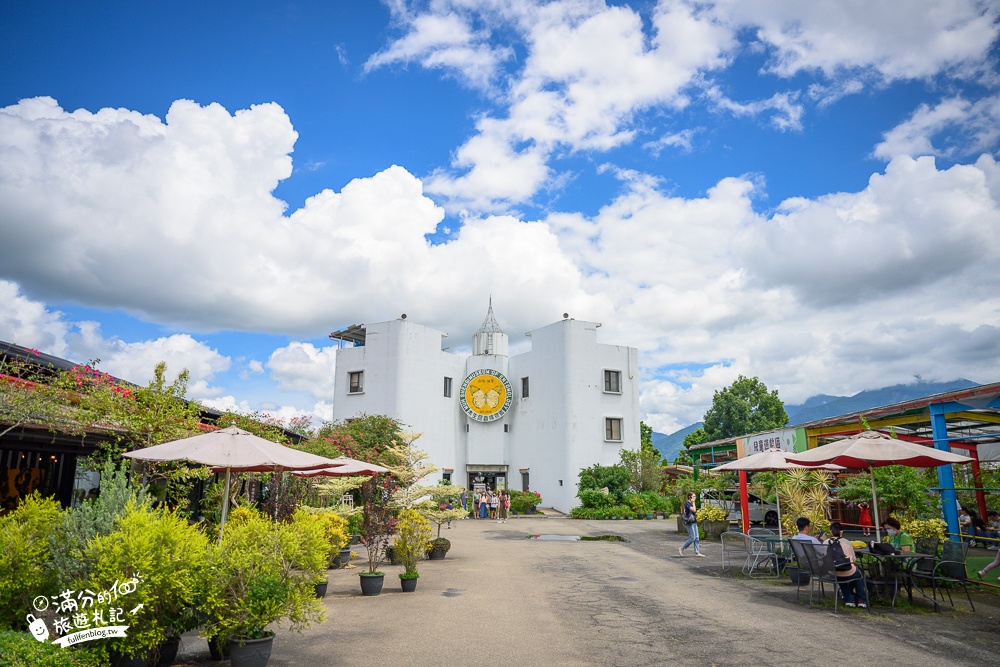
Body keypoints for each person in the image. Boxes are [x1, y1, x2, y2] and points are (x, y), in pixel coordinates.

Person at [826, 521, 868, 609]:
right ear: (842, 531)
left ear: (830, 531)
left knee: (840, 575)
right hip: (848, 571)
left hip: (832, 571)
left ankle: (848, 600)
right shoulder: (846, 542)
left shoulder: (826, 542)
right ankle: (861, 600)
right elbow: (853, 559)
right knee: (857, 575)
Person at [678, 492, 705, 557]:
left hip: (694, 521)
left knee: (697, 538)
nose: (695, 498)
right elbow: (694, 510)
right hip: (689, 523)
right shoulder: (688, 504)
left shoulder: (691, 503)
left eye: (695, 496)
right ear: (690, 497)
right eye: (694, 496)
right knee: (693, 537)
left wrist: (693, 503)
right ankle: (682, 548)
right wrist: (693, 503)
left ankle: (697, 552)